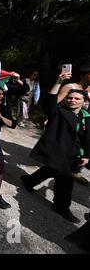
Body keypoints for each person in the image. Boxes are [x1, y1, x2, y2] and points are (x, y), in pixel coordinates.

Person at [20, 72, 90, 223]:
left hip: (74, 154)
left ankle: (29, 181)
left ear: (84, 102)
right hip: (59, 151)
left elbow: (88, 138)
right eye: (70, 98)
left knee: (52, 170)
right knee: (66, 179)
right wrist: (58, 81)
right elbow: (49, 104)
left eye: (77, 98)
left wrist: (87, 155)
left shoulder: (86, 117)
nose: (72, 100)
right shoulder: (59, 112)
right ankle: (61, 206)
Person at [56, 62, 90, 186]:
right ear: (84, 75)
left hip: (84, 125)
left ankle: (72, 171)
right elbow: (55, 104)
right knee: (64, 160)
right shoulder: (70, 86)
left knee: (68, 159)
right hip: (67, 125)